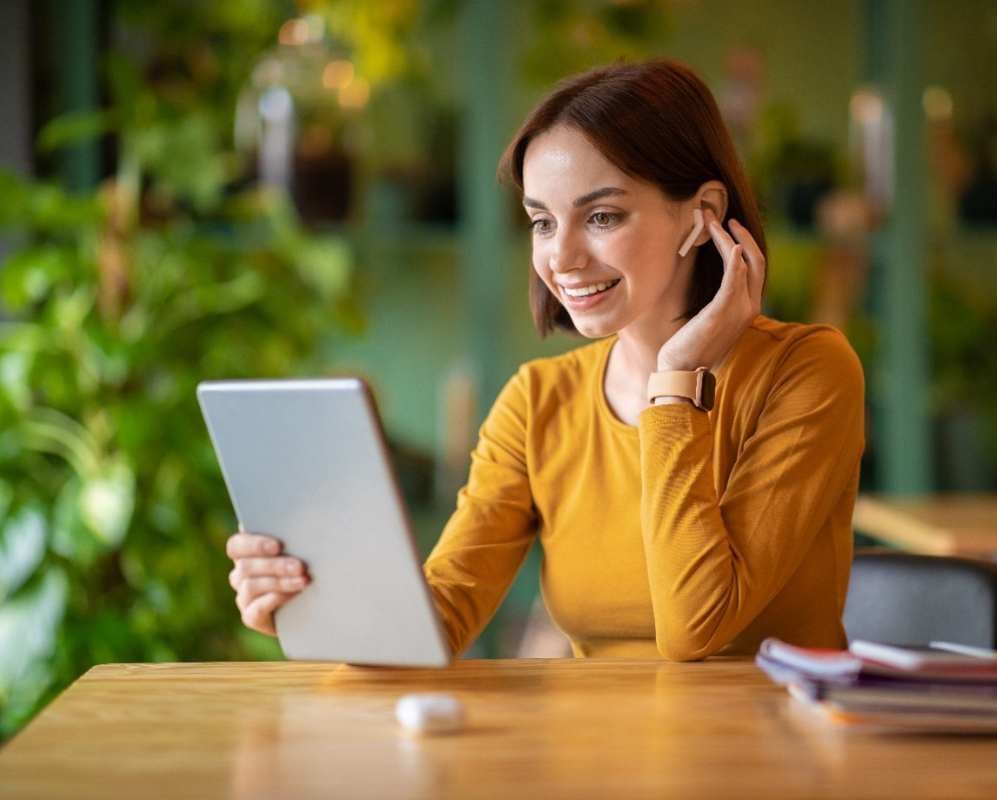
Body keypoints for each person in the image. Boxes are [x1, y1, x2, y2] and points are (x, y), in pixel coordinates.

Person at [226, 58, 866, 661]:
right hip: (594, 761)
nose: (561, 258)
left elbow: (694, 627)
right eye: (541, 222)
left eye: (602, 216)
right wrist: (311, 600)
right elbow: (438, 621)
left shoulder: (808, 373)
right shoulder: (539, 401)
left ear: (702, 216)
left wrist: (675, 384)